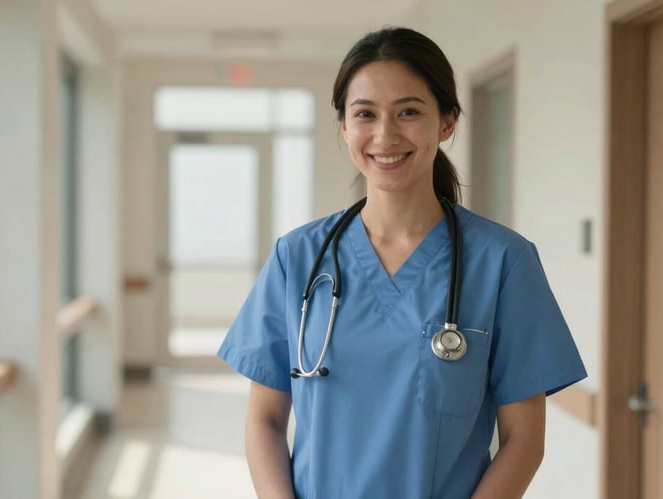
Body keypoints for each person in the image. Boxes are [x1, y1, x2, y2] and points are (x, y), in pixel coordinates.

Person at [217, 26, 586, 499]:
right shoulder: (298, 258)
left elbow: (524, 442)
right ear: (345, 127)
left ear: (447, 121)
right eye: (365, 114)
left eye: (408, 112)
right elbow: (264, 420)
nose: (384, 135)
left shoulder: (503, 262)